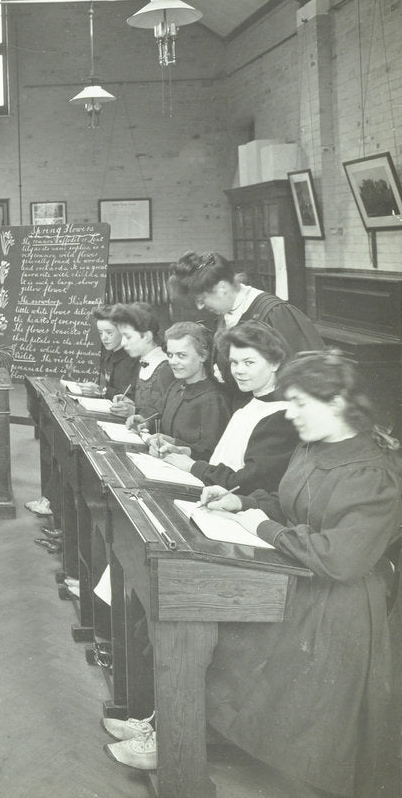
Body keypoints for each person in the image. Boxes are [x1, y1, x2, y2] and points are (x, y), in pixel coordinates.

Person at [106, 352, 402, 797]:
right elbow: (290, 503)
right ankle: (170, 726)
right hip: (296, 577)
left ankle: (178, 738)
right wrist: (242, 503)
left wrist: (260, 525)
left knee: (210, 629)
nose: (292, 413)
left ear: (338, 402)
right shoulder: (312, 443)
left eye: (301, 403)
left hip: (337, 609)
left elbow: (341, 559)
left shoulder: (372, 472)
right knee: (191, 615)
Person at [154, 321, 298, 494]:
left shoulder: (281, 415)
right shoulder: (248, 402)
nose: (238, 370)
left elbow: (245, 482)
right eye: (234, 362)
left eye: (249, 362)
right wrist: (187, 451)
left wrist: (193, 466)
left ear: (275, 363)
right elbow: (225, 459)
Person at [167, 251, 324, 392]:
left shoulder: (274, 313)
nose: (200, 307)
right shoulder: (226, 313)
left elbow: (307, 374)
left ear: (222, 288)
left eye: (202, 299)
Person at [130, 321, 230, 461]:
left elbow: (210, 452)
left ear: (203, 356)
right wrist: (145, 421)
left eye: (181, 356)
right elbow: (158, 413)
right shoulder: (176, 386)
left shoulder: (213, 399)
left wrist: (175, 444)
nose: (173, 362)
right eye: (170, 355)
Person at [107, 302, 174, 428]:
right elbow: (151, 407)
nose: (123, 342)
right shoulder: (143, 361)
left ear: (147, 336)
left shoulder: (165, 369)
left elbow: (168, 420)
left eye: (128, 336)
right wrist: (131, 404)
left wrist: (134, 412)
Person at [76, 304, 138, 399]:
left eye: (109, 333)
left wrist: (100, 390)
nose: (104, 338)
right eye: (100, 333)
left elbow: (131, 397)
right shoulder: (107, 353)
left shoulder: (134, 358)